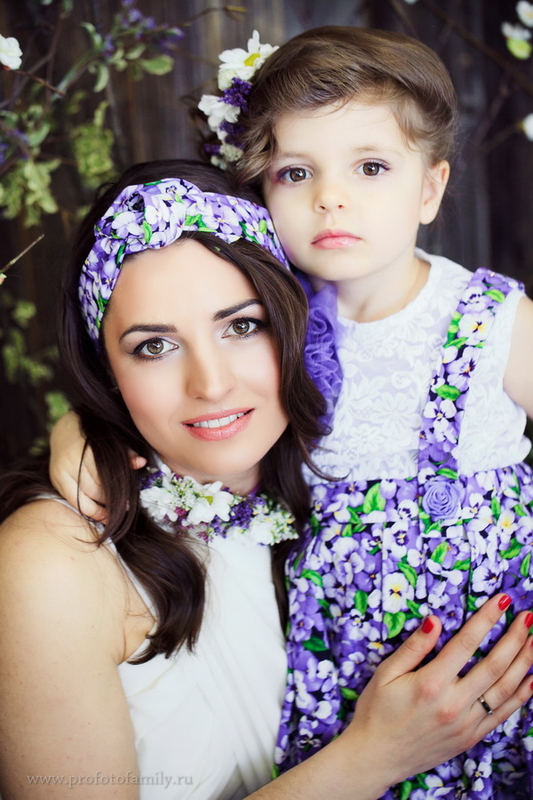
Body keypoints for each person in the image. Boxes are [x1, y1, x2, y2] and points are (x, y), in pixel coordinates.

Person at [50, 26, 533, 798]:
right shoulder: (275, 321)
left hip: (491, 648)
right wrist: (81, 431)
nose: (330, 197)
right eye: (296, 172)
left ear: (429, 189)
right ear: (261, 198)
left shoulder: (488, 318)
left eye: (370, 167)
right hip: (339, 666)